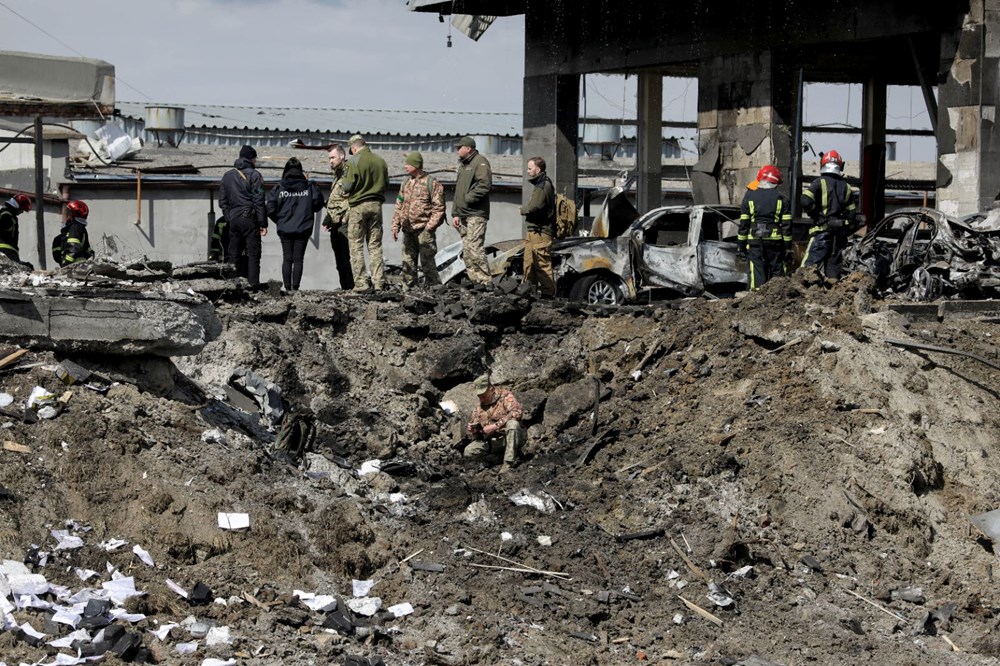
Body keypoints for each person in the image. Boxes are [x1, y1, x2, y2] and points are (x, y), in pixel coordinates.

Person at [266, 157, 325, 293]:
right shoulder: (309, 186)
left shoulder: (279, 187)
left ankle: (287, 288)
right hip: (303, 228)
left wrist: (280, 220)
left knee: (287, 258)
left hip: (285, 228)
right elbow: (318, 204)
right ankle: (296, 288)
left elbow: (270, 209)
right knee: (298, 259)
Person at [800, 149, 861, 279]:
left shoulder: (819, 182)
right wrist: (845, 223)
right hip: (839, 235)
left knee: (807, 271)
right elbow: (851, 213)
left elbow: (805, 200)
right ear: (840, 166)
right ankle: (831, 290)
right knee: (834, 271)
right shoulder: (846, 187)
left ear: (822, 164)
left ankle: (804, 290)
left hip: (821, 232)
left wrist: (817, 215)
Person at [341, 135, 388, 293]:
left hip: (358, 206)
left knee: (356, 245)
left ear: (353, 147)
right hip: (376, 206)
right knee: (375, 245)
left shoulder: (353, 162)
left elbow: (347, 187)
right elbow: (386, 184)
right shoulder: (381, 161)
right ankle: (378, 282)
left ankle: (361, 283)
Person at [390, 151, 444, 290]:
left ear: (416, 165)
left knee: (427, 263)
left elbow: (439, 208)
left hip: (424, 230)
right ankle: (410, 290)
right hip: (408, 230)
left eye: (408, 164)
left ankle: (435, 289)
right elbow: (399, 205)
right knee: (407, 263)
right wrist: (395, 225)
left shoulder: (431, 183)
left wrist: (429, 228)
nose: (405, 166)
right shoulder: (406, 184)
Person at [219, 144, 267, 290]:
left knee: (233, 255)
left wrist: (229, 217)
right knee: (253, 255)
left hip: (233, 220)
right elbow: (259, 201)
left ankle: (232, 287)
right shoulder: (255, 175)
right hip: (249, 219)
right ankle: (252, 287)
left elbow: (222, 201)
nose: (256, 161)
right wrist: (262, 223)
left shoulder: (227, 176)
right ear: (251, 159)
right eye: (255, 159)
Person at [737, 165, 793, 290]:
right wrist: (788, 249)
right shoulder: (782, 199)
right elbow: (787, 228)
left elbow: (744, 225)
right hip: (775, 244)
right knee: (777, 275)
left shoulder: (749, 196)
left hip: (755, 243)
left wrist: (740, 247)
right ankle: (779, 296)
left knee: (757, 275)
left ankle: (756, 298)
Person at [451, 136, 493, 287]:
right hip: (463, 214)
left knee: (475, 248)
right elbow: (458, 191)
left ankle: (485, 282)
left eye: (459, 147)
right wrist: (455, 213)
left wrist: (468, 198)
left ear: (468, 148)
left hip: (476, 213)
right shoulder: (463, 166)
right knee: (467, 251)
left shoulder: (480, 162)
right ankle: (475, 282)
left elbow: (484, 184)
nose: (457, 150)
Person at [464, 373, 525, 473]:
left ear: (491, 389)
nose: (481, 399)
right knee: (469, 451)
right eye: (479, 396)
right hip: (494, 442)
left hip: (513, 436)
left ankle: (508, 463)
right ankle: (499, 458)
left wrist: (495, 426)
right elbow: (478, 436)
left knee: (512, 424)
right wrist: (475, 431)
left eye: (484, 396)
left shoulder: (505, 396)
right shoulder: (478, 409)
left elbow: (517, 412)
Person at [520, 156, 557, 296]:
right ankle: (529, 292)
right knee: (529, 264)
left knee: (542, 264)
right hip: (534, 231)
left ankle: (549, 295)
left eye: (530, 168)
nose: (527, 171)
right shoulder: (539, 184)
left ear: (538, 169)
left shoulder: (543, 185)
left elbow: (534, 207)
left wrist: (523, 210)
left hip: (541, 232)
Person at [322, 144, 355, 290]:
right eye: (329, 158)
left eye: (333, 157)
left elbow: (349, 198)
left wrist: (338, 216)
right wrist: (329, 217)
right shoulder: (337, 174)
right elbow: (335, 199)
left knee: (346, 259)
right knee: (340, 261)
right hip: (335, 223)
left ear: (342, 156)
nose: (331, 161)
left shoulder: (349, 172)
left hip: (345, 222)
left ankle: (351, 287)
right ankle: (345, 287)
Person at [52, 200, 94, 267]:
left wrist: (66, 263)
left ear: (73, 214)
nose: (67, 215)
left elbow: (73, 247)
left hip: (75, 266)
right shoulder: (80, 228)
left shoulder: (75, 227)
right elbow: (88, 251)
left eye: (69, 213)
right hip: (81, 266)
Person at [0, 193, 32, 265]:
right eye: (22, 209)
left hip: (9, 252)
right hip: (6, 251)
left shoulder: (10, 215)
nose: (22, 212)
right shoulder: (6, 214)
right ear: (17, 206)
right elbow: (4, 226)